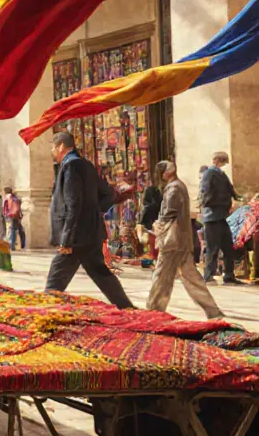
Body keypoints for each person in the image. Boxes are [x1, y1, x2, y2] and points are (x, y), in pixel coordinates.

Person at [44, 131, 134, 309]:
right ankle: (127, 308)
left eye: (53, 148)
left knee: (56, 277)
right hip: (90, 232)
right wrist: (94, 211)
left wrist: (66, 239)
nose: (53, 152)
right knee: (100, 272)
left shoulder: (70, 166)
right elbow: (109, 193)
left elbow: (73, 204)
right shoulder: (86, 164)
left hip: (76, 236)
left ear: (61, 146)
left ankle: (46, 311)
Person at [146, 161, 224, 319]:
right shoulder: (178, 185)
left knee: (162, 275)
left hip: (172, 241)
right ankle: (213, 311)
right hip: (181, 240)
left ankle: (154, 310)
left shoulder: (173, 188)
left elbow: (168, 213)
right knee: (191, 277)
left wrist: (156, 225)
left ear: (166, 173)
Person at [199, 151, 240, 284]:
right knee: (212, 247)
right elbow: (204, 192)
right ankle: (208, 275)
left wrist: (236, 198)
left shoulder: (220, 173)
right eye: (222, 162)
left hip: (221, 216)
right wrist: (207, 205)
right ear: (217, 160)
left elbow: (230, 188)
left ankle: (229, 275)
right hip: (212, 216)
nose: (223, 165)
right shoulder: (209, 173)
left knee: (228, 246)